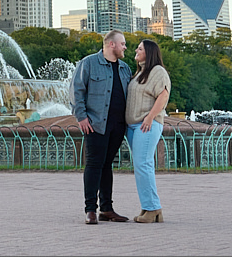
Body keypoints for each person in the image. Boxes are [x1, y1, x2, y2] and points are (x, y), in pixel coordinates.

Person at [71, 29, 134, 225]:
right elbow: (76, 91)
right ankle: (90, 209)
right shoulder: (88, 63)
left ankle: (107, 209)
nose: (125, 47)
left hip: (118, 125)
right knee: (94, 164)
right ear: (111, 44)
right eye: (122, 43)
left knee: (108, 165)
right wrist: (81, 117)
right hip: (96, 124)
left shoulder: (125, 69)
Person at [125, 39, 171, 223]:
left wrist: (150, 117)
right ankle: (150, 208)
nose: (136, 50)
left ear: (149, 52)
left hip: (147, 124)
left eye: (140, 48)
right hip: (134, 126)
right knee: (143, 166)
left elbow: (164, 94)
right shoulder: (140, 73)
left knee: (143, 165)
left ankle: (152, 208)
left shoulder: (158, 71)